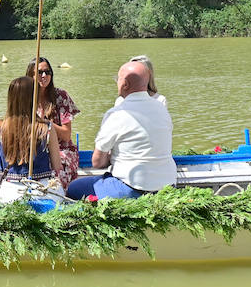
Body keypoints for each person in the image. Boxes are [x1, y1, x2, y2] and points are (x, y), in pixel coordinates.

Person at [68, 61, 174, 200]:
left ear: (125, 84)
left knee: (74, 188)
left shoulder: (117, 113)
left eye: (117, 79)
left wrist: (111, 158)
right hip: (167, 186)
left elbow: (97, 162)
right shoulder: (162, 109)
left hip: (131, 188)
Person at [0, 76, 61, 184]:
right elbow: (57, 166)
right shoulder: (46, 128)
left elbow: (1, 163)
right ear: (35, 99)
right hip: (41, 189)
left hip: (8, 189)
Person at [26, 57, 80, 188]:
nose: (44, 76)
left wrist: (44, 122)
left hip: (62, 150)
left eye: (48, 72)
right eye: (40, 72)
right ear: (30, 75)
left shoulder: (60, 96)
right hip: (35, 150)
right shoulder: (25, 97)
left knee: (55, 177)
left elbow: (66, 135)